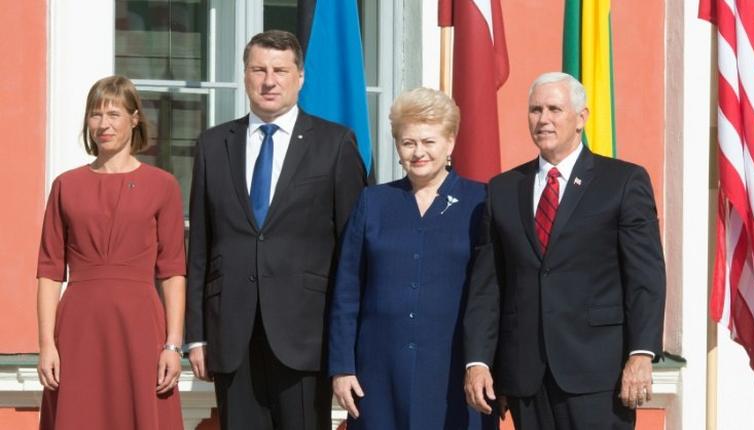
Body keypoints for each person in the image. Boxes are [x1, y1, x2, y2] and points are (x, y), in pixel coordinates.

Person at [185, 30, 367, 430]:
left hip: (306, 334)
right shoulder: (215, 144)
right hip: (231, 333)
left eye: (280, 70)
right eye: (259, 69)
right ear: (245, 75)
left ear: (300, 77)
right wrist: (195, 334)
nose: (269, 80)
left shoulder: (335, 144)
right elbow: (199, 245)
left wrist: (347, 343)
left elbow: (353, 251)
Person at [463, 72, 666, 429]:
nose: (543, 119)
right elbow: (488, 286)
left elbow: (645, 276)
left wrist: (641, 353)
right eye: (535, 110)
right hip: (526, 376)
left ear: (581, 117)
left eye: (555, 109)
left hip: (598, 375)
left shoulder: (622, 182)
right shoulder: (503, 189)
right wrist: (479, 360)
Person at [328, 87, 496, 430]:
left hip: (455, 369)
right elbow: (346, 290)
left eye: (429, 141)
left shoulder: (482, 202)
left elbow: (494, 292)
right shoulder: (372, 203)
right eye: (408, 143)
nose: (419, 152)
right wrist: (342, 367)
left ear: (450, 143)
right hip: (378, 372)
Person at [36, 75, 186, 429]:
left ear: (135, 119)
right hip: (77, 327)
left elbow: (172, 270)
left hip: (141, 327)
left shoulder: (162, 185)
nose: (104, 124)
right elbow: (49, 271)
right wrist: (45, 344)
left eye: (114, 114)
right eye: (96, 114)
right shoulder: (66, 186)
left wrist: (173, 345)